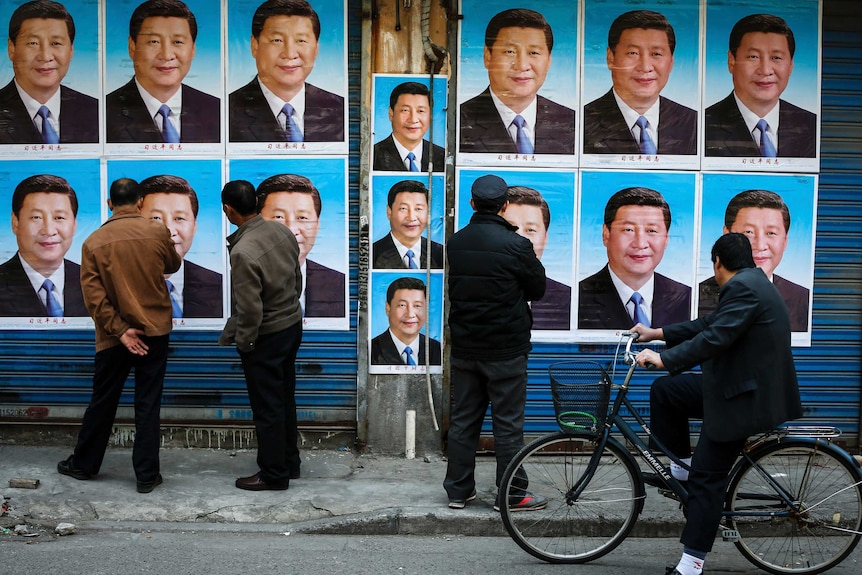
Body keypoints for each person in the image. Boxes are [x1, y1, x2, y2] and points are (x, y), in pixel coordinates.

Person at [632, 232, 802, 575]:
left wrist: (664, 360)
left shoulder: (744, 288)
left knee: (707, 480)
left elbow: (715, 337)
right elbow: (710, 324)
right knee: (668, 391)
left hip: (744, 399)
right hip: (736, 385)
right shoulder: (752, 283)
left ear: (718, 263)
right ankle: (680, 466)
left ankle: (691, 565)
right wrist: (658, 333)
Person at [57, 178, 181, 493]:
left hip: (113, 338)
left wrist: (121, 330)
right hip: (154, 331)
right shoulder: (156, 231)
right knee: (148, 403)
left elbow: (94, 298)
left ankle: (84, 465)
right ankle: (146, 475)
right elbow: (173, 264)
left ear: (110, 203)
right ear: (140, 202)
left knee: (103, 401)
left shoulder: (94, 242)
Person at [444, 174, 547, 511]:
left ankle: (458, 491)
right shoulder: (517, 245)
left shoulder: (456, 242)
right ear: (504, 206)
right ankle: (513, 494)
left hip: (466, 348)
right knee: (507, 425)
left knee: (464, 420)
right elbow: (538, 289)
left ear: (473, 204)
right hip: (506, 351)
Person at [219, 179, 303, 490]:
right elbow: (297, 279)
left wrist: (246, 343)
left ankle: (273, 474)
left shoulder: (244, 251)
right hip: (291, 326)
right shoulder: (280, 231)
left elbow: (250, 308)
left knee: (267, 407)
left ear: (228, 209)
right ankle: (289, 462)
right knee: (284, 398)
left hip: (266, 335)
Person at [459, 8, 574, 155]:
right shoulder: (460, 120)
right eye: (510, 52)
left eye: (533, 53)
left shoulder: (571, 121)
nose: (522, 65)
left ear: (549, 61)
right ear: (488, 56)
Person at [583, 10, 697, 155]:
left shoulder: (693, 122)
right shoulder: (581, 122)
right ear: (610, 58)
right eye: (633, 53)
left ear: (671, 62)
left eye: (656, 54)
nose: (645, 67)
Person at [106, 0, 220, 144]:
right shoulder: (104, 111)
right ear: (132, 47)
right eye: (154, 42)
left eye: (177, 42)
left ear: (193, 50)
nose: (166, 55)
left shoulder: (217, 110)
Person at [229, 0, 344, 143]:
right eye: (277, 40)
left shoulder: (339, 109)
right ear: (255, 45)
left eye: (301, 41)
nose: (290, 54)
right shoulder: (227, 111)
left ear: (316, 48)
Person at [578, 187, 691, 330]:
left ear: (666, 238)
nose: (640, 243)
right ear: (606, 234)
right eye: (628, 230)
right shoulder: (577, 297)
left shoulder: (686, 298)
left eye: (651, 231)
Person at [705, 13, 816, 158]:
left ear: (791, 65)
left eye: (776, 58)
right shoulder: (703, 125)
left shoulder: (811, 125)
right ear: (731, 61)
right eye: (753, 57)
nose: (765, 70)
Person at [698, 189, 809, 331]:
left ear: (785, 241)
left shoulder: (801, 298)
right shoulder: (697, 295)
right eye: (748, 232)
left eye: (771, 233)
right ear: (727, 235)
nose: (760, 245)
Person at [0, 0, 98, 144]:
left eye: (56, 43)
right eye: (33, 43)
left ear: (71, 50)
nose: (45, 56)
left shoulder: (96, 111)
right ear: (11, 48)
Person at [257, 173, 345, 317]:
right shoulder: (228, 286)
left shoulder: (341, 285)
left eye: (302, 218)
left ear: (317, 225)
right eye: (278, 217)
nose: (291, 230)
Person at [0, 174, 87, 317]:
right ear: (15, 222)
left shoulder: (93, 283)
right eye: (36, 217)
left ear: (74, 224)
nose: (49, 230)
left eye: (59, 218)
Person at [139, 175, 223, 319]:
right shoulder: (104, 283)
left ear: (194, 226)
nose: (169, 231)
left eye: (179, 218)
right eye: (156, 218)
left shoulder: (221, 286)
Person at [504, 185, 570, 330]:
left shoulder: (568, 299)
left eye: (530, 230)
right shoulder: (473, 291)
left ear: (545, 237)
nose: (520, 238)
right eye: (509, 228)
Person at [373, 81, 445, 172]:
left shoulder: (443, 156)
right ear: (391, 113)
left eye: (421, 111)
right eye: (405, 110)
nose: (413, 119)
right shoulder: (372, 156)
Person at [372, 179, 443, 270]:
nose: (411, 217)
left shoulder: (440, 253)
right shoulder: (372, 253)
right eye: (403, 208)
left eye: (418, 209)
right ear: (389, 212)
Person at [370, 277, 441, 366]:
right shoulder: (370, 350)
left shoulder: (438, 350)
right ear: (388, 308)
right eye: (402, 305)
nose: (410, 314)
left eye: (417, 305)